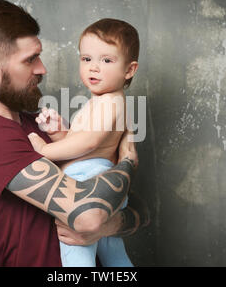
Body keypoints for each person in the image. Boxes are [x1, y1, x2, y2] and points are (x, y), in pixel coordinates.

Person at [0, 0, 149, 267]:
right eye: (30, 59)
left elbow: (139, 209)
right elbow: (89, 215)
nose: (42, 69)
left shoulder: (40, 125)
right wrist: (127, 163)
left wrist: (109, 226)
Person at [28, 18, 140, 267]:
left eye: (106, 60)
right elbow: (83, 142)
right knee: (114, 255)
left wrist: (46, 149)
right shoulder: (101, 102)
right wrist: (59, 132)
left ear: (129, 70)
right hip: (101, 184)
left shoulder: (111, 102)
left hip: (90, 184)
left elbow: (88, 143)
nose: (94, 68)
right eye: (86, 59)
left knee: (77, 253)